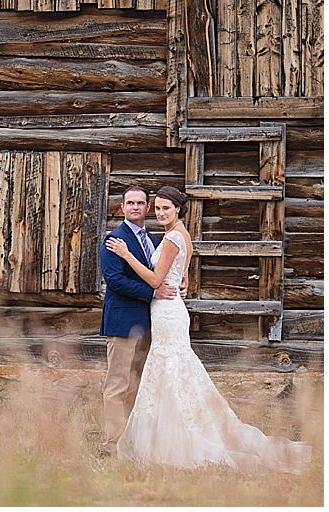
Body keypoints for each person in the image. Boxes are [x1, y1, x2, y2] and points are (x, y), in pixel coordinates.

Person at [106, 186, 312, 471]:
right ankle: (159, 436)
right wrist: (182, 276)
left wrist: (128, 255)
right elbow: (177, 267)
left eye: (166, 208)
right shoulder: (175, 236)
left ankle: (180, 439)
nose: (160, 212)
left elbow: (155, 280)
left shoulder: (170, 237)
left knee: (169, 373)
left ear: (178, 209)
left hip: (167, 311)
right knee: (171, 374)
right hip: (168, 311)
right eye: (158, 208)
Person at [98, 186, 178, 456]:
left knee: (137, 385)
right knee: (117, 385)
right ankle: (111, 445)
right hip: (122, 322)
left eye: (141, 203)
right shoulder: (114, 240)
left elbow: (159, 270)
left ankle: (130, 441)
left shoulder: (154, 241)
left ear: (147, 208)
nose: (135, 207)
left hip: (148, 323)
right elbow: (115, 281)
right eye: (130, 203)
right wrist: (153, 292)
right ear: (122, 208)